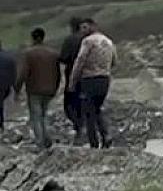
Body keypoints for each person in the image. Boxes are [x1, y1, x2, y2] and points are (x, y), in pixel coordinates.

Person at [69, 19, 116, 148]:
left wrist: (73, 80)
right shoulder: (108, 41)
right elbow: (114, 60)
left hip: (90, 79)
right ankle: (106, 135)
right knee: (97, 108)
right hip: (105, 78)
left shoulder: (88, 41)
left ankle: (93, 142)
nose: (82, 31)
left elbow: (80, 60)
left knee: (88, 111)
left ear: (92, 26)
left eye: (85, 27)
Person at [15, 28, 61, 148]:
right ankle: (47, 139)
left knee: (36, 116)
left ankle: (40, 142)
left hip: (34, 89)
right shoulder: (53, 53)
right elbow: (58, 72)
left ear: (33, 38)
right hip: (50, 89)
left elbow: (23, 73)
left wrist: (17, 89)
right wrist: (56, 87)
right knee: (44, 114)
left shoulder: (28, 53)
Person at [59, 17, 85, 142]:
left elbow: (63, 58)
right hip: (87, 75)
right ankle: (85, 126)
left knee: (70, 103)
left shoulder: (70, 40)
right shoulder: (87, 39)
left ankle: (78, 126)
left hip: (72, 74)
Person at [0, 41, 17, 131]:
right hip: (5, 87)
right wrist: (14, 87)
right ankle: (1, 123)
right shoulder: (9, 57)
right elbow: (14, 74)